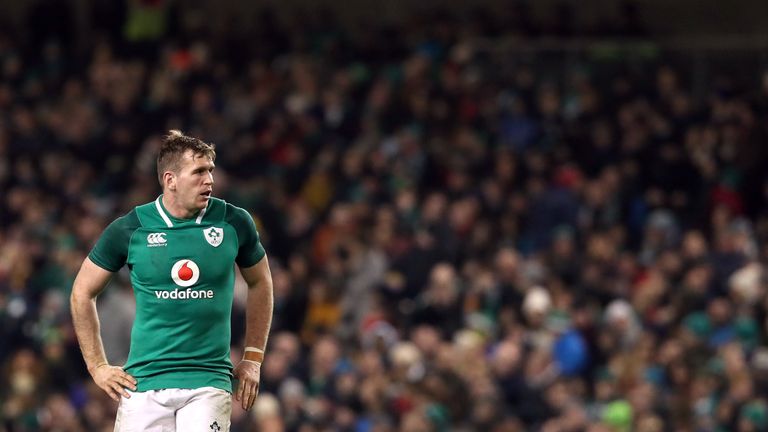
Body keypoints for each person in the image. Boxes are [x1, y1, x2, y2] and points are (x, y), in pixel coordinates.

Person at [70, 130, 274, 431]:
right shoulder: (132, 228)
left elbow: (261, 283)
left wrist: (253, 358)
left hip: (208, 381)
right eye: (199, 172)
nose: (210, 181)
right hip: (143, 382)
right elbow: (81, 292)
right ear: (170, 180)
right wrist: (97, 366)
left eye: (211, 171)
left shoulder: (234, 222)